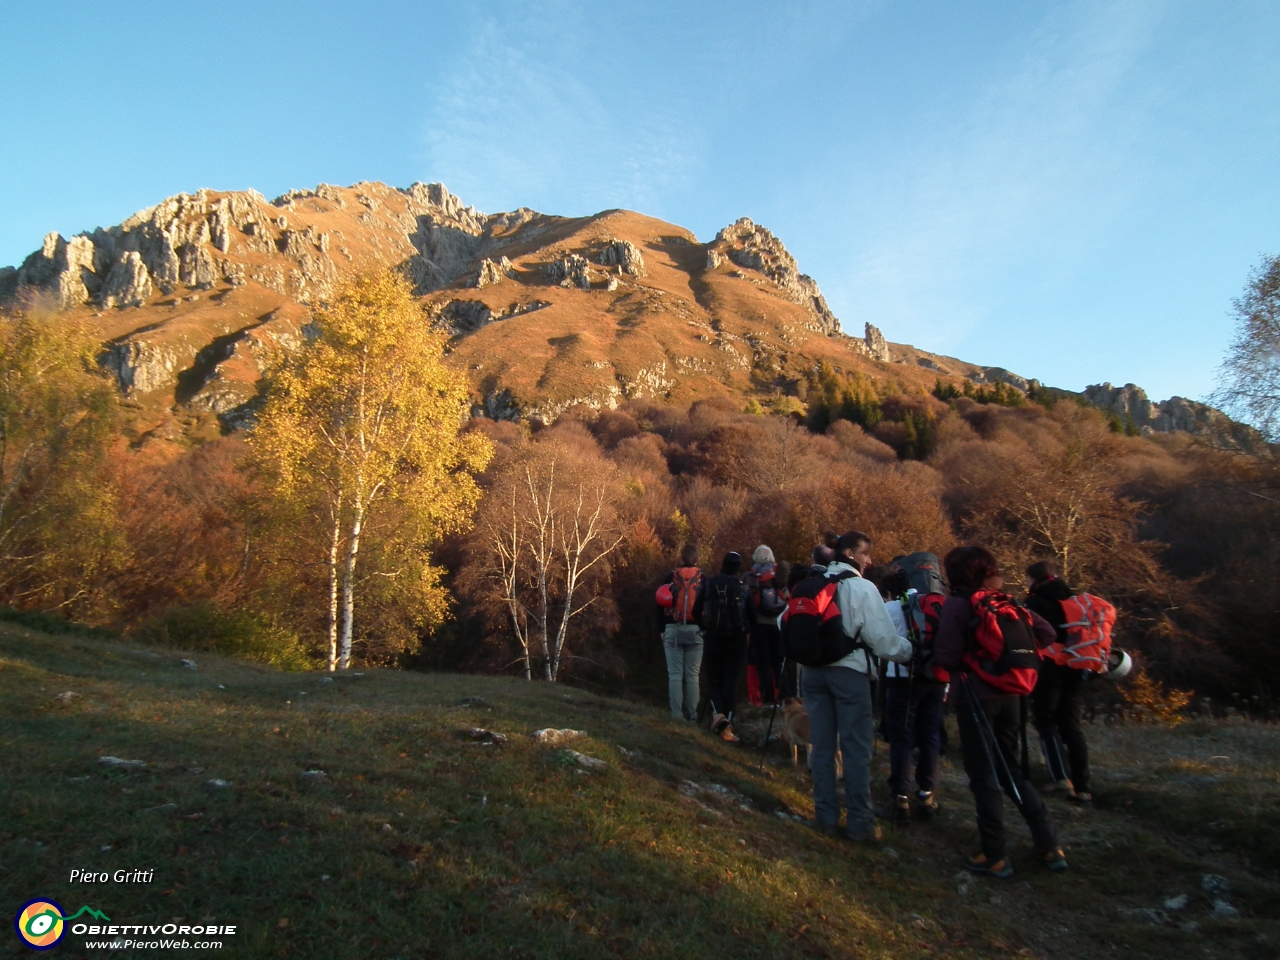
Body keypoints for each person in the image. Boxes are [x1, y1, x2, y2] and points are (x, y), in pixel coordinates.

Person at [934, 545, 1068, 877]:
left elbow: (947, 656)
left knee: (983, 774)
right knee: (1010, 766)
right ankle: (1049, 843)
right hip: (1013, 694)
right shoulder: (1008, 602)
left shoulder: (958, 604)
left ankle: (994, 853)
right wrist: (1012, 659)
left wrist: (974, 661)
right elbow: (1048, 633)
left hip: (975, 695)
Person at [803, 531, 914, 842]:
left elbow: (788, 621)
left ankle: (824, 817)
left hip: (812, 673)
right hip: (849, 674)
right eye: (866, 554)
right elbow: (884, 641)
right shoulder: (862, 588)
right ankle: (860, 823)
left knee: (822, 746)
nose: (870, 560)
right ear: (851, 553)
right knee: (855, 747)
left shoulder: (812, 582)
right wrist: (911, 653)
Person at [877, 568, 946, 822]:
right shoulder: (932, 603)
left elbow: (882, 643)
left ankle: (900, 798)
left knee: (901, 737)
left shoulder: (892, 608)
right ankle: (927, 794)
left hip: (903, 678)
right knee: (930, 735)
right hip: (937, 679)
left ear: (888, 592)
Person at [1025, 560, 1092, 803]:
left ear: (1035, 579)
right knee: (1071, 726)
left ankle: (1061, 778)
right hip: (1077, 666)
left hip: (1050, 667)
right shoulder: (1075, 600)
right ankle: (1083, 785)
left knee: (1045, 721)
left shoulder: (1035, 602)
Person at [701, 551, 755, 743]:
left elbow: (695, 609)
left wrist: (704, 627)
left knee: (714, 681)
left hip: (713, 639)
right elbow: (752, 616)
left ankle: (718, 716)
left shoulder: (709, 584)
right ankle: (728, 727)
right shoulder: (741, 588)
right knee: (730, 682)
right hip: (736, 641)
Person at [657, 543, 705, 721]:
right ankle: (692, 716)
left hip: (672, 629)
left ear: (680, 559)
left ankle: (676, 715)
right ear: (697, 560)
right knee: (693, 675)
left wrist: (662, 629)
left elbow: (659, 604)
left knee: (675, 675)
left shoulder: (670, 577)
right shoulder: (703, 579)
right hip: (695, 631)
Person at [747, 545, 787, 705]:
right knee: (778, 659)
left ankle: (768, 697)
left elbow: (747, 600)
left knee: (763, 661)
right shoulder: (779, 573)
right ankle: (784, 696)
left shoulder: (751, 575)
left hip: (759, 624)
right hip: (777, 623)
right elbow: (787, 594)